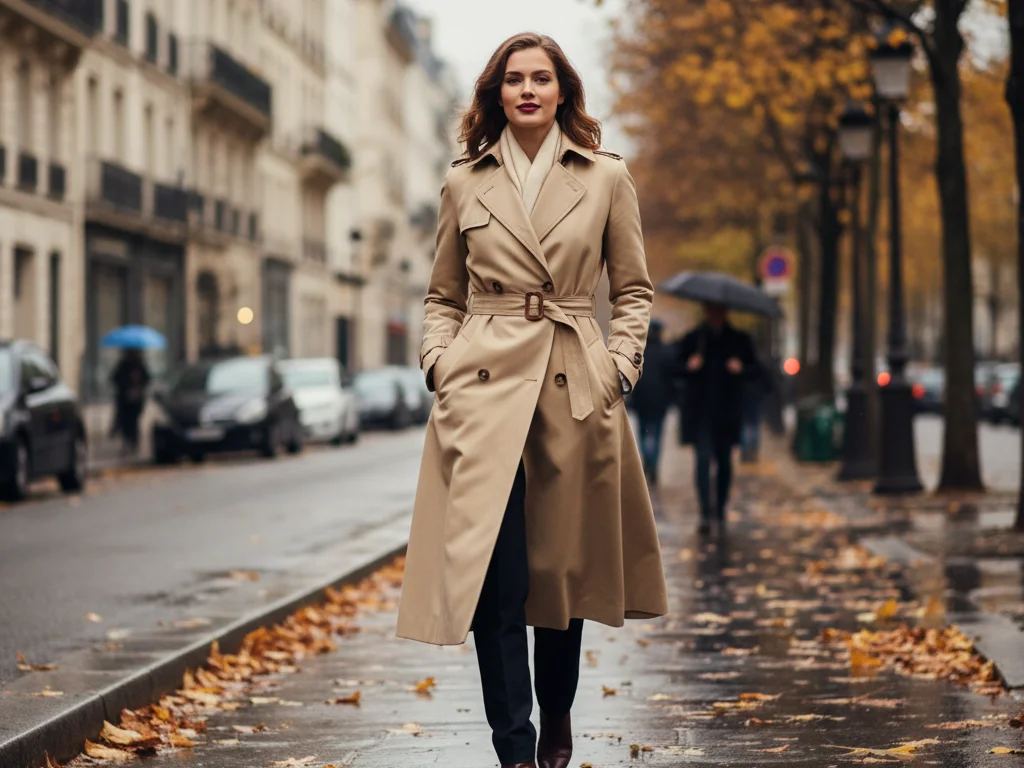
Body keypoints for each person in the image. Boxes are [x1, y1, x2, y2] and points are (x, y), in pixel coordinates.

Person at [395, 33, 668, 768]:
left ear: (562, 91)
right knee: (495, 578)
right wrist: (439, 361)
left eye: (540, 78)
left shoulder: (606, 177)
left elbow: (634, 291)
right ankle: (513, 745)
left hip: (573, 388)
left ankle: (557, 718)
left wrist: (619, 365)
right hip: (481, 393)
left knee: (560, 574)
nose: (527, 90)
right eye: (513, 79)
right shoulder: (464, 182)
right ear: (496, 93)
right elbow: (442, 295)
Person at [676, 302, 757, 535]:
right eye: (710, 310)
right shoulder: (694, 339)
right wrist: (689, 366)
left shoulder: (739, 340)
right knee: (702, 461)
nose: (714, 314)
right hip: (700, 412)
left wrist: (740, 368)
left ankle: (719, 510)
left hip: (728, 413)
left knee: (724, 463)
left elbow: (756, 370)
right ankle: (704, 512)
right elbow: (675, 367)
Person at [627, 319, 675, 484]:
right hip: (660, 401)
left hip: (641, 401)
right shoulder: (667, 352)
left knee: (643, 433)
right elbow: (672, 379)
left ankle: (648, 460)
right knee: (656, 433)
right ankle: (652, 462)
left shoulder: (639, 352)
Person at [109, 349, 150, 455]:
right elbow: (115, 378)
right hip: (124, 400)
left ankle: (133, 442)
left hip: (136, 400)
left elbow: (147, 379)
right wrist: (126, 383)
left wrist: (138, 384)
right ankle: (128, 442)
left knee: (134, 422)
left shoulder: (140, 365)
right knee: (125, 422)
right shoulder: (123, 365)